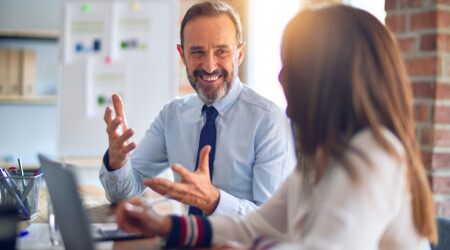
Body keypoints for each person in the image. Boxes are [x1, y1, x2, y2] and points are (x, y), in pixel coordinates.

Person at [114, 5, 438, 249]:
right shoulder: (320, 161)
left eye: (291, 65)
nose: (282, 77)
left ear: (328, 78)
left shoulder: (374, 156)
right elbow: (254, 227)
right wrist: (165, 226)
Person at [100, 1, 296, 216]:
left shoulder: (268, 120)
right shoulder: (171, 116)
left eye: (221, 51)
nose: (209, 66)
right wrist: (117, 162)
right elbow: (124, 194)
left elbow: (272, 221)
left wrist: (214, 202)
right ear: (182, 55)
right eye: (197, 52)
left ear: (239, 54)